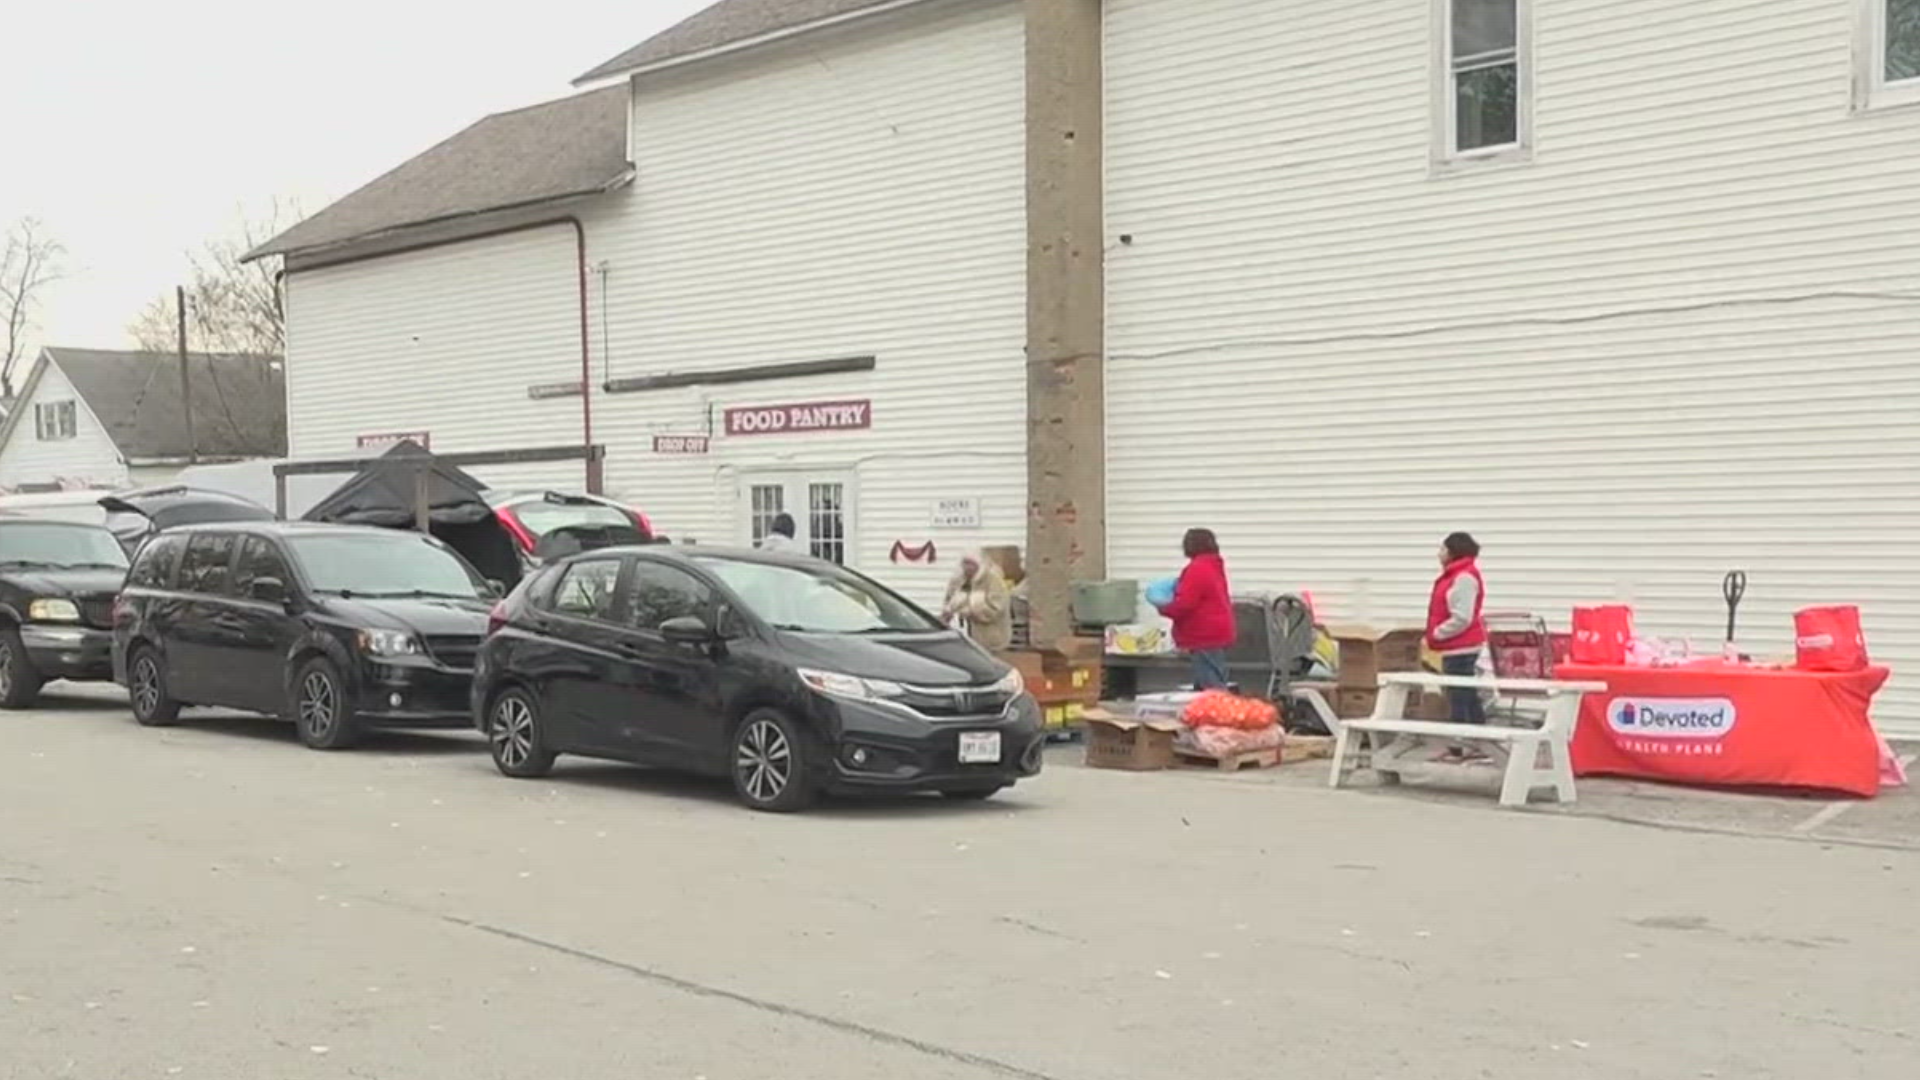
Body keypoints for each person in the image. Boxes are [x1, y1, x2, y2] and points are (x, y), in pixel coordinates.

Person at [1157, 528, 1236, 690]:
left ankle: (1216, 714)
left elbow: (1185, 603)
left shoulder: (1197, 569)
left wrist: (1164, 607)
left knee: (1211, 686)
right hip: (1216, 632)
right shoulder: (1214, 565)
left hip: (1204, 635)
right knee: (1209, 681)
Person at [1427, 531, 1489, 733]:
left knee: (1460, 697)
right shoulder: (1455, 575)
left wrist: (1437, 633)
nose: (1439, 554)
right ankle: (1476, 740)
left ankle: (1461, 742)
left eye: (1443, 549)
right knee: (1465, 695)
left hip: (1462, 648)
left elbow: (1462, 617)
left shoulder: (1463, 578)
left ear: (1453, 552)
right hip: (1455, 647)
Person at [943, 551, 1013, 651]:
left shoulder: (993, 581)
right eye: (965, 563)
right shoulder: (957, 581)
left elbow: (995, 609)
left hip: (989, 639)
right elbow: (948, 602)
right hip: (961, 637)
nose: (967, 567)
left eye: (971, 563)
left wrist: (971, 612)